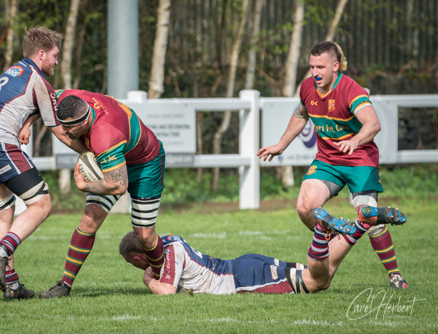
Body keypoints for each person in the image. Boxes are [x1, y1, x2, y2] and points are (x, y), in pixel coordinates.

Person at [257, 41, 408, 289]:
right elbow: (300, 115)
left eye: (321, 67)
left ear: (335, 66)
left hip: (360, 159)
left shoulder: (351, 90)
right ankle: (333, 234)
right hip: (328, 160)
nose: (315, 73)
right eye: (312, 67)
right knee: (305, 207)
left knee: (369, 218)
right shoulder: (308, 87)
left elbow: (373, 124)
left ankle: (395, 276)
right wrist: (280, 145)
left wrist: (355, 140)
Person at [0, 26, 87, 299]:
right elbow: (59, 130)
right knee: (42, 203)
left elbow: (23, 105)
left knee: (3, 214)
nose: (57, 61)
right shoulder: (39, 80)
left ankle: (11, 287)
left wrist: (27, 123)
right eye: (55, 55)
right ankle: (3, 250)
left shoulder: (14, 71)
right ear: (42, 53)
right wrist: (88, 154)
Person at [39, 89, 166, 298]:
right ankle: (64, 286)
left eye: (70, 127)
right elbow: (40, 99)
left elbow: (118, 185)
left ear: (84, 120)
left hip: (146, 164)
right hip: (115, 160)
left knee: (144, 234)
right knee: (88, 221)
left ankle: (164, 278)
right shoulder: (68, 98)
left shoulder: (104, 135)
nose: (65, 131)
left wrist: (84, 186)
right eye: (62, 124)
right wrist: (26, 125)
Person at [119, 213, 398, 295]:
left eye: (132, 263)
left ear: (139, 257)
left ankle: (321, 233)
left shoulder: (168, 253)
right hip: (245, 264)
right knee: (320, 277)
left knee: (317, 281)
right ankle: (363, 224)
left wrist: (149, 281)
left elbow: (166, 293)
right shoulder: (170, 240)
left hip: (241, 279)